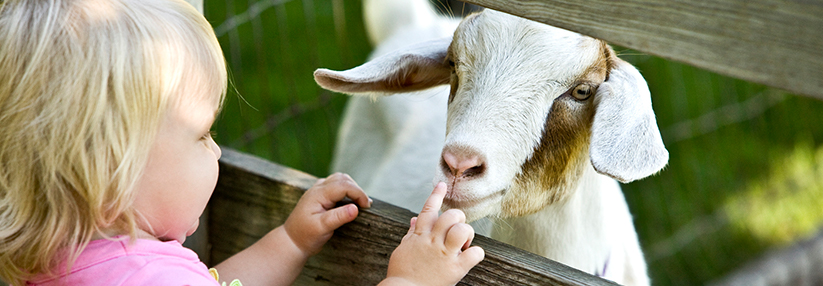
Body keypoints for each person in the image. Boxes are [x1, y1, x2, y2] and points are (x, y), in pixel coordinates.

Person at [0, 0, 485, 285]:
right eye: (202, 134)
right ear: (111, 169)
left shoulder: (69, 256)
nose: (215, 150)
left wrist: (289, 242)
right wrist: (410, 280)